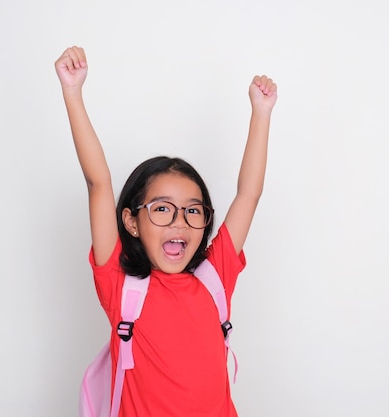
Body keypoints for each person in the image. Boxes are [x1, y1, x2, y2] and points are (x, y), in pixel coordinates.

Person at [55, 45, 277, 417]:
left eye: (193, 210)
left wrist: (262, 113)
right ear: (130, 222)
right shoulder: (121, 286)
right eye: (161, 209)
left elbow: (248, 194)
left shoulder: (214, 276)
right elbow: (98, 182)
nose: (179, 221)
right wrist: (73, 92)